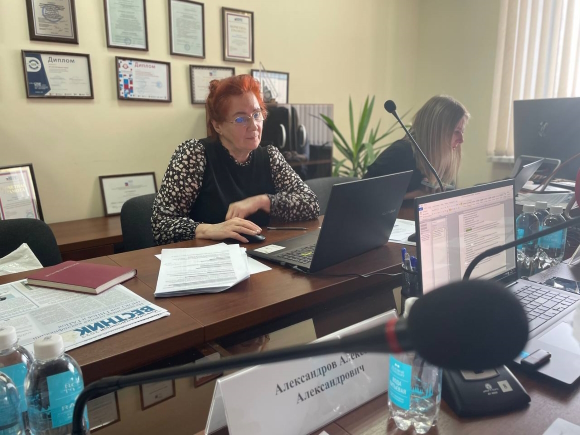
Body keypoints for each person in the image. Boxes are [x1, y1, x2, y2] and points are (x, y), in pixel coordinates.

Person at [151, 75, 320, 245]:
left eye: (256, 114)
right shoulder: (195, 155)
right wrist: (210, 229)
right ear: (218, 126)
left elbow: (310, 203)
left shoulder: (270, 156)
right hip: (208, 256)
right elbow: (161, 224)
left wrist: (262, 201)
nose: (254, 126)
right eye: (241, 119)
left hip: (259, 252)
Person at [364, 95, 469, 199]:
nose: (461, 139)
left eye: (462, 132)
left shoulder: (444, 160)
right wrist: (416, 195)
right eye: (456, 131)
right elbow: (363, 196)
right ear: (435, 131)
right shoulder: (401, 153)